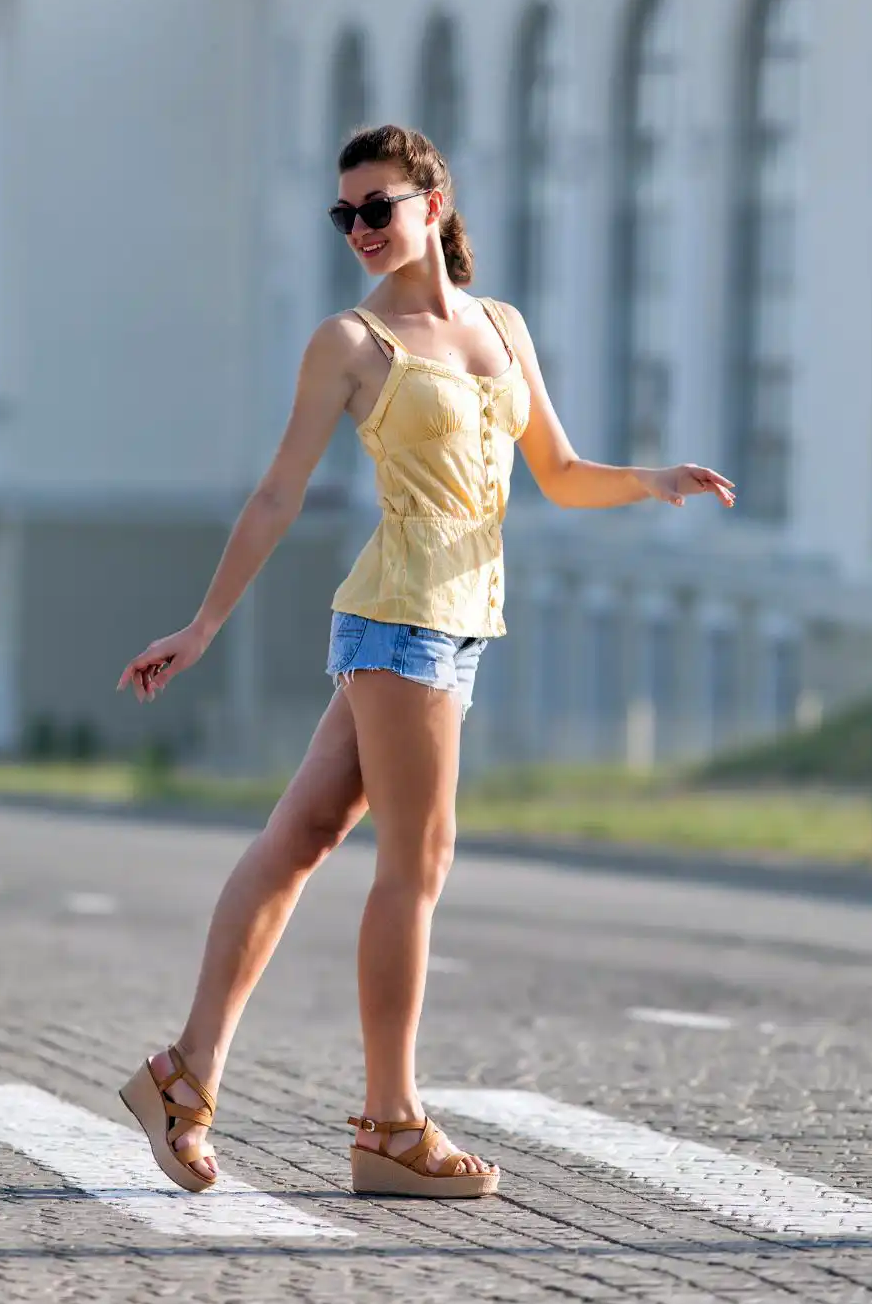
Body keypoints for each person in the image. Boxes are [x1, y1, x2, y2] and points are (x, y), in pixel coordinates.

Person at [116, 123, 736, 1200]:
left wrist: (651, 481)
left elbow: (559, 469)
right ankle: (391, 1124)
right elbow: (278, 493)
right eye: (343, 213)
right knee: (417, 866)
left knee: (302, 836)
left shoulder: (501, 328)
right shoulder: (352, 343)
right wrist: (203, 625)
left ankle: (183, 1075)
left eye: (377, 208)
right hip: (399, 621)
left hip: (454, 625)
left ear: (433, 205)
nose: (358, 229)